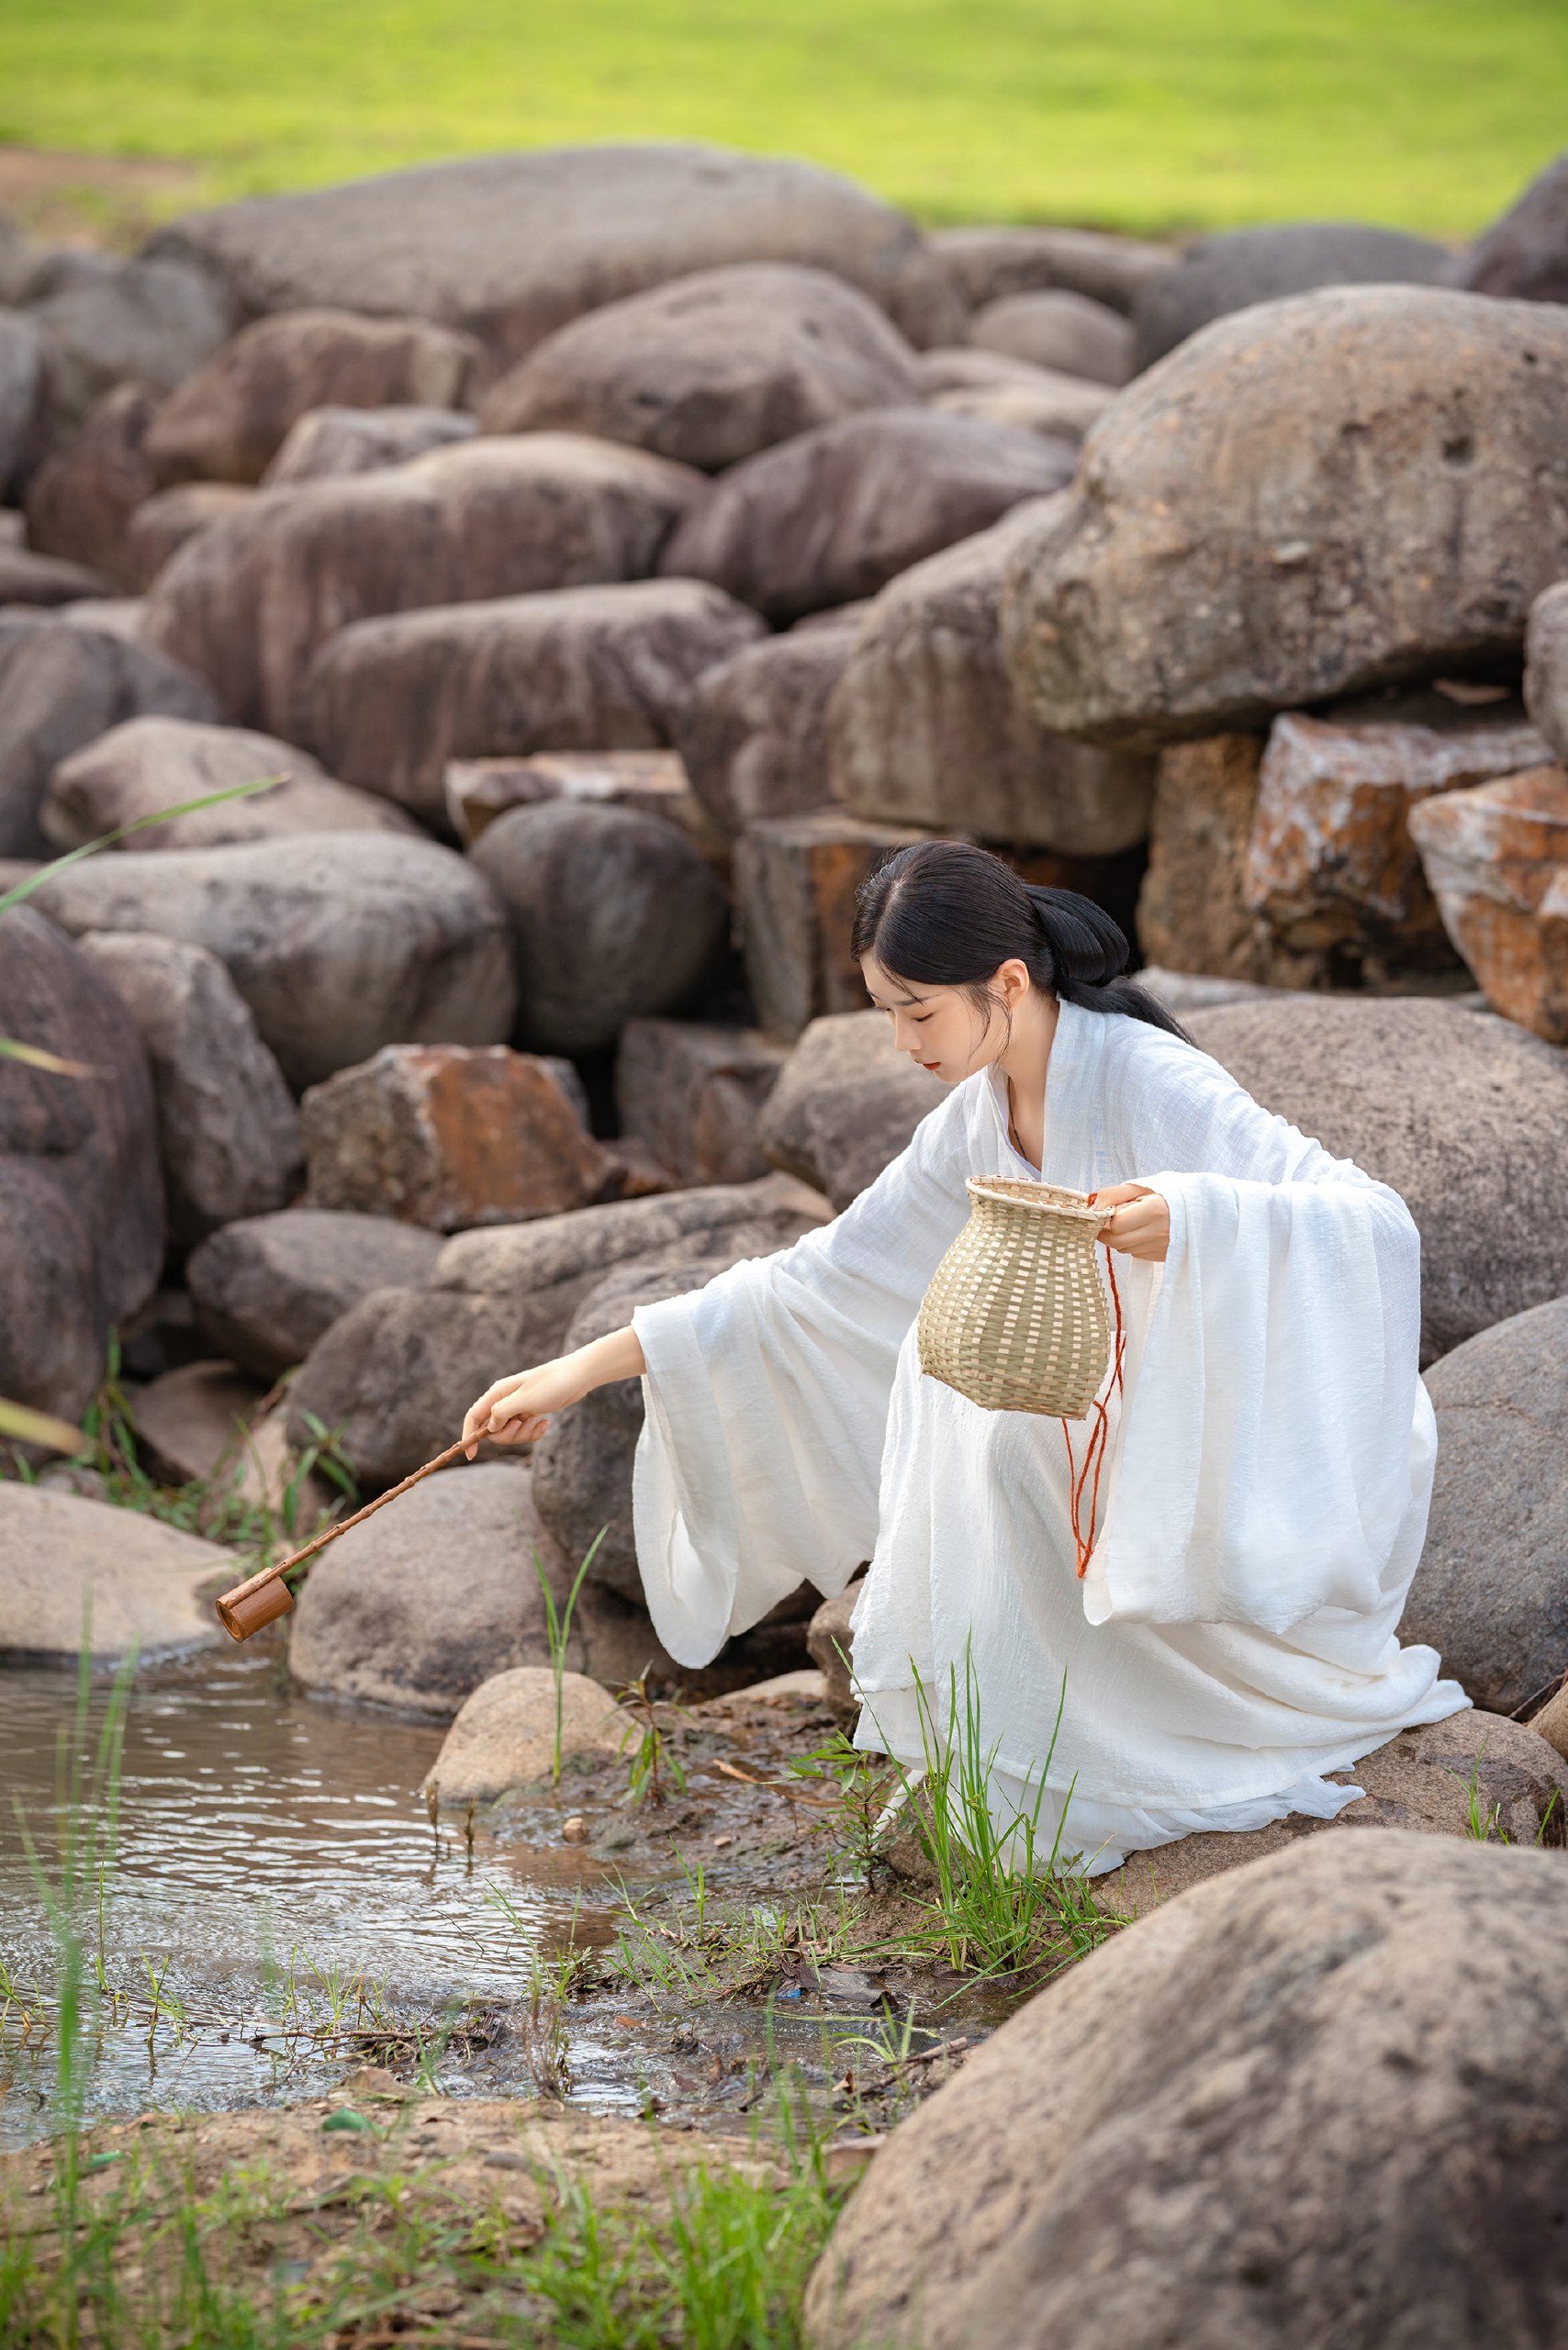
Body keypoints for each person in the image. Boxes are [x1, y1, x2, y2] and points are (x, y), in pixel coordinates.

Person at [464, 839, 1465, 1874]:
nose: (901, 1042)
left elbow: (1372, 1221)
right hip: (1112, 1417)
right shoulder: (977, 1117)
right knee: (958, 1398)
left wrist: (1195, 1217)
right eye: (887, 1013)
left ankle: (1122, 1742)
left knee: (1002, 1434)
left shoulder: (1144, 1074)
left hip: (1221, 1437)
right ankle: (1026, 1748)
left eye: (917, 1010)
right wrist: (582, 1368)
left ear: (1009, 982)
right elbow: (821, 1278)